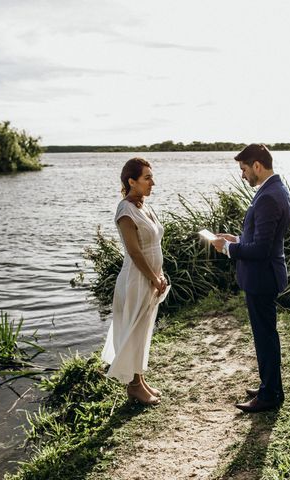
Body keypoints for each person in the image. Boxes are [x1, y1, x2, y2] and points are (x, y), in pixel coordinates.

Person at [211, 144, 290, 413]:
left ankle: (270, 394)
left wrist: (228, 249)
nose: (243, 176)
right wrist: (236, 238)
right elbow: (261, 239)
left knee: (265, 337)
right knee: (266, 335)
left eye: (244, 170)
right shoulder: (276, 189)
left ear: (257, 165)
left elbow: (261, 250)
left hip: (262, 277)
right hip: (265, 274)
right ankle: (270, 386)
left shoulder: (269, 196)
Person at [101, 157, 168, 406]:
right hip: (136, 279)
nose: (153, 183)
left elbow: (153, 243)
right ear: (131, 181)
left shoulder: (143, 206)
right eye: (147, 178)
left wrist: (159, 276)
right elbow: (134, 252)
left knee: (142, 330)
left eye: (152, 177)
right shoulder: (125, 210)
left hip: (151, 278)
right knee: (133, 330)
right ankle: (133, 386)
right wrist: (153, 277)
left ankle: (140, 381)